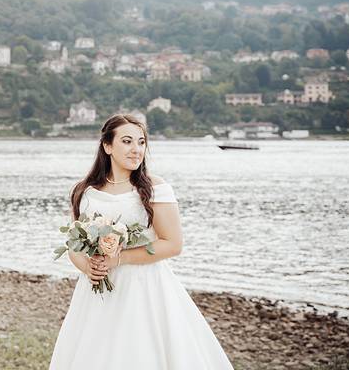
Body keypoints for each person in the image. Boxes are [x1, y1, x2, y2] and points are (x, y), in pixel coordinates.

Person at [49, 113, 233, 369]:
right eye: (127, 141)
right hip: (97, 293)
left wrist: (120, 258)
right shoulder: (86, 191)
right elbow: (74, 244)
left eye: (142, 142)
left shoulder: (155, 188)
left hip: (144, 288)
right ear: (107, 146)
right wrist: (87, 267)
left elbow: (172, 243)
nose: (136, 149)